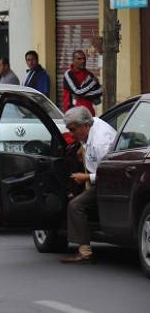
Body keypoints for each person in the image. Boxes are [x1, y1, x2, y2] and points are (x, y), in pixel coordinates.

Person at [61, 106, 116, 264]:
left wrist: (86, 177)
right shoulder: (92, 125)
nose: (71, 134)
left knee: (75, 205)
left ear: (85, 125)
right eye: (69, 130)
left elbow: (107, 175)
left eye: (73, 129)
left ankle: (84, 251)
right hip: (96, 176)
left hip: (106, 182)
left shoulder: (101, 142)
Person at [63, 50, 102, 116]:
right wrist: (92, 83)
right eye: (79, 59)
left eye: (84, 58)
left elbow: (100, 91)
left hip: (89, 114)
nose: (83, 61)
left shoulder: (89, 74)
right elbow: (77, 91)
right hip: (73, 114)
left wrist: (81, 95)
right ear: (73, 60)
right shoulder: (69, 74)